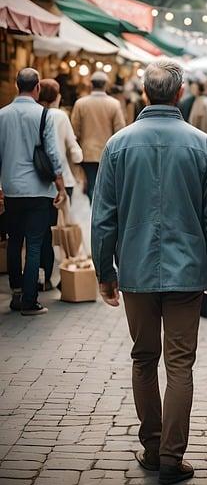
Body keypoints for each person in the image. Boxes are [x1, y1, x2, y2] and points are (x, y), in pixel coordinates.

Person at [91, 59, 207, 485]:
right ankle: (172, 454)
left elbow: (103, 218)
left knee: (143, 357)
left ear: (146, 93)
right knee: (180, 364)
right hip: (188, 271)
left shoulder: (118, 145)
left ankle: (152, 446)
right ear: (180, 93)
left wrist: (104, 270)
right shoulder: (203, 146)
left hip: (135, 269)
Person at [0, 68, 67, 315]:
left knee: (14, 241)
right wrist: (60, 185)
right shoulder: (44, 115)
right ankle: (30, 300)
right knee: (35, 244)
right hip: (39, 189)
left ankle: (16, 293)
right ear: (37, 87)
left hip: (12, 189)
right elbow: (52, 152)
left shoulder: (2, 115)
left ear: (17, 86)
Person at [38, 78, 83, 290]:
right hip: (63, 178)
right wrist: (79, 157)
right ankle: (66, 273)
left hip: (38, 180)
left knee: (44, 229)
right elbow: (73, 149)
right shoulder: (60, 116)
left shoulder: (34, 114)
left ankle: (45, 275)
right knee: (63, 228)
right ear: (57, 97)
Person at [71, 71, 125, 203]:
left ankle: (92, 209)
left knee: (91, 182)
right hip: (107, 152)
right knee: (104, 185)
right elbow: (120, 130)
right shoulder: (114, 104)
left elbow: (75, 129)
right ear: (105, 85)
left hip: (87, 151)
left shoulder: (80, 103)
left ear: (91, 85)